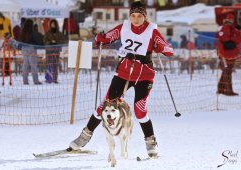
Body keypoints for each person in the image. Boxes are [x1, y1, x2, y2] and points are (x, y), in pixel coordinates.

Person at [68, 1, 174, 158]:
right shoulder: (123, 27)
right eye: (133, 16)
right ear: (130, 16)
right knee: (104, 106)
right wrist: (99, 38)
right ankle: (85, 135)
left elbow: (169, 50)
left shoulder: (152, 31)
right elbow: (107, 37)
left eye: (139, 16)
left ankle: (151, 142)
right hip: (124, 73)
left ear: (145, 16)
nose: (136, 19)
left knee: (140, 110)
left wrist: (162, 48)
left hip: (145, 75)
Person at [217, 13, 241, 96]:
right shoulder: (223, 29)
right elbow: (225, 39)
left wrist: (233, 38)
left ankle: (220, 89)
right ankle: (228, 91)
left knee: (226, 72)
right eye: (229, 19)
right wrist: (227, 27)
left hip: (232, 54)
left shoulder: (234, 29)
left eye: (232, 19)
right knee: (227, 72)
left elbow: (238, 39)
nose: (230, 21)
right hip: (225, 54)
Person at [20, 19, 43, 85]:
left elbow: (20, 40)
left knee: (25, 65)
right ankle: (35, 81)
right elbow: (36, 40)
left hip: (24, 48)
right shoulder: (32, 31)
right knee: (33, 65)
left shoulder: (22, 31)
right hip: (31, 48)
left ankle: (25, 81)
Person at [44, 19, 67, 84]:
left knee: (55, 65)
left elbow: (63, 40)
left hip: (56, 51)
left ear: (56, 25)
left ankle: (55, 79)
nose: (53, 25)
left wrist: (56, 42)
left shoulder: (59, 33)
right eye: (52, 24)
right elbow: (45, 41)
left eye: (54, 24)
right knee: (48, 65)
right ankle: (48, 78)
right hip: (49, 51)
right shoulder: (47, 33)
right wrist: (50, 42)